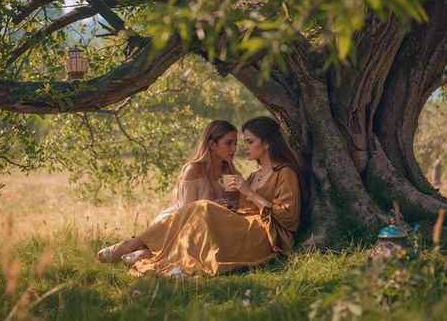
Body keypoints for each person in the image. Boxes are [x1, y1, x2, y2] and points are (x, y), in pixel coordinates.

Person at [97, 116, 302, 277]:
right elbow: (242, 209)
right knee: (202, 209)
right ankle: (155, 255)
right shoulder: (254, 175)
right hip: (241, 225)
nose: (242, 148)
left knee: (202, 207)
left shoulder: (284, 173)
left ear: (266, 144)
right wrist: (227, 207)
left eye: (249, 142)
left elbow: (289, 218)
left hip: (263, 233)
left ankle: (138, 247)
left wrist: (247, 192)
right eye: (241, 142)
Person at [96, 119, 239, 264]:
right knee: (181, 239)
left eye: (236, 143)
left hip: (209, 229)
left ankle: (141, 254)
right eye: (229, 143)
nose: (234, 148)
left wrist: (230, 207)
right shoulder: (193, 170)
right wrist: (212, 206)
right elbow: (186, 212)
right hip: (178, 222)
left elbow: (234, 206)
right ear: (212, 144)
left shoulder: (231, 172)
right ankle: (135, 246)